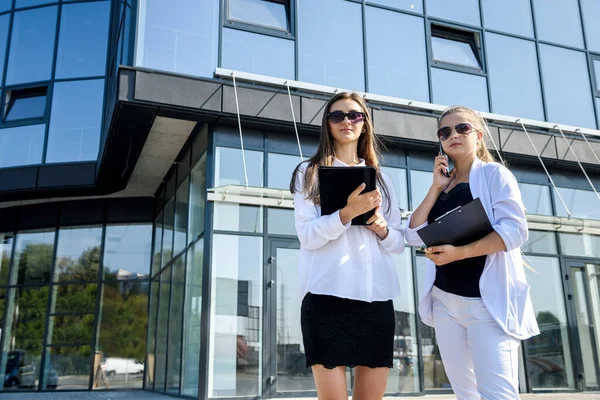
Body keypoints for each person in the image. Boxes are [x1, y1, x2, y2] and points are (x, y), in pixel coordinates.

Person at [289, 92, 420, 399]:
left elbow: (398, 244)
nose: (346, 121)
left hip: (376, 302)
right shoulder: (308, 174)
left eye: (354, 115)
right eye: (337, 115)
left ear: (365, 123)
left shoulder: (384, 181)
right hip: (326, 300)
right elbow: (307, 236)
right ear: (327, 124)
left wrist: (383, 228)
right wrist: (346, 213)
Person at [407, 105, 539, 399]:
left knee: (497, 394)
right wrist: (434, 188)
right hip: (444, 302)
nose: (453, 135)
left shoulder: (494, 174)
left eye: (462, 128)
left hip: (486, 304)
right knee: (466, 394)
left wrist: (460, 252)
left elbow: (515, 231)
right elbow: (413, 233)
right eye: (445, 131)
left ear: (478, 136)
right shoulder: (442, 186)